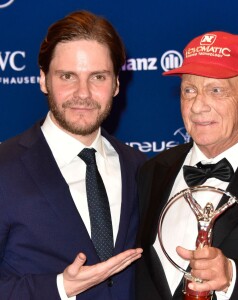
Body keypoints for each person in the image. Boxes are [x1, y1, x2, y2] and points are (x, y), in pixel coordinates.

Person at [136, 31, 238, 299]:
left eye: (216, 90)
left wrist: (232, 277)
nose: (198, 106)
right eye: (189, 90)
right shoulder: (150, 172)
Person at [0, 10, 147, 300]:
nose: (83, 93)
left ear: (116, 84)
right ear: (43, 79)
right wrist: (59, 288)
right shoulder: (4, 168)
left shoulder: (140, 168)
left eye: (98, 77)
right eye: (67, 76)